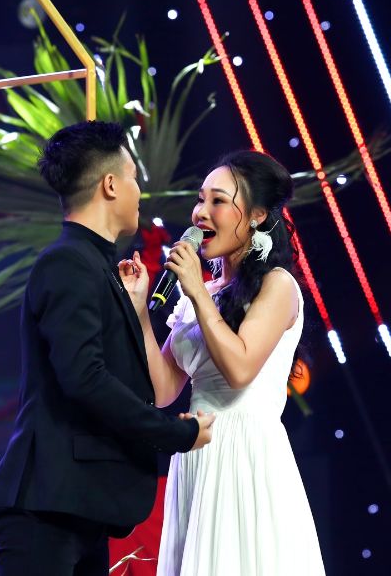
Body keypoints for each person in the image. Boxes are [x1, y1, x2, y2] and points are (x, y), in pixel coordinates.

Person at [0, 120, 215, 576]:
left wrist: (136, 309)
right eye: (133, 178)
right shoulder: (67, 262)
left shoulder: (94, 265)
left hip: (78, 506)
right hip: (44, 507)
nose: (139, 192)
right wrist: (173, 433)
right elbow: (85, 379)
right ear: (110, 185)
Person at [118, 150, 326, 575]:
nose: (201, 213)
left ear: (257, 215)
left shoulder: (278, 286)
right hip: (196, 449)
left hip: (245, 452)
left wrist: (196, 290)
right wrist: (139, 309)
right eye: (200, 199)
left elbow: (240, 368)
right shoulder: (203, 293)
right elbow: (163, 390)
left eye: (218, 201)